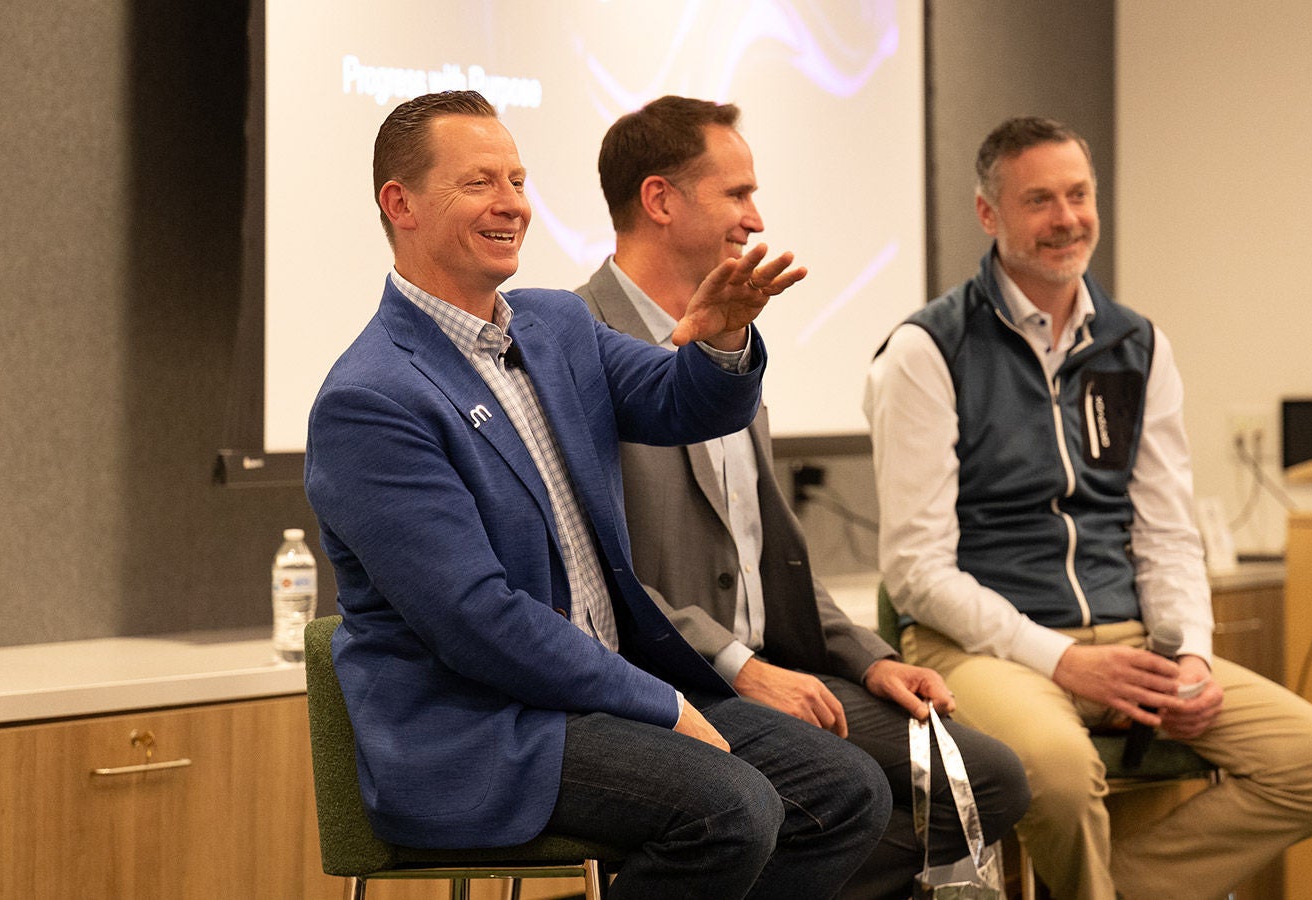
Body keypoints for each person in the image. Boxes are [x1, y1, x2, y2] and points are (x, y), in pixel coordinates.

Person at [304, 90, 892, 900]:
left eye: (517, 178)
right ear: (399, 204)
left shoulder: (554, 327)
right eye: (479, 182)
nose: (512, 202)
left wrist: (721, 337)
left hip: (601, 694)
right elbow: (480, 622)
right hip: (488, 727)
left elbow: (685, 402)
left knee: (845, 791)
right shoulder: (370, 397)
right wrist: (660, 703)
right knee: (731, 808)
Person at [863, 116, 1312, 900]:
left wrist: (1191, 654)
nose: (1067, 218)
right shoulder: (926, 353)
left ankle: (1111, 890)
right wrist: (1063, 660)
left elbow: (1166, 532)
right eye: (1040, 200)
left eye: (1079, 194)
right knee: (1060, 776)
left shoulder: (1139, 346)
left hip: (1128, 639)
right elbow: (918, 573)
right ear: (988, 214)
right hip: (982, 650)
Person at [576, 94, 1030, 900]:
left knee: (986, 779)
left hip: (779, 669)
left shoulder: (732, 334)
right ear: (660, 199)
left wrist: (872, 658)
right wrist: (742, 667)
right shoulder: (574, 343)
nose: (757, 218)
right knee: (844, 791)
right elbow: (602, 578)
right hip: (671, 682)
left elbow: (768, 551)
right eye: (738, 193)